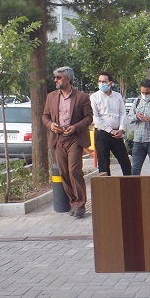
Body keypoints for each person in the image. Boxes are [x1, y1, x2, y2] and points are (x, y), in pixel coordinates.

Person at [42, 66, 93, 218]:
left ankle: (80, 205)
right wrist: (51, 125)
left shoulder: (82, 97)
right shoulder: (51, 97)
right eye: (55, 78)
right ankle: (73, 202)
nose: (55, 80)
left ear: (68, 79)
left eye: (59, 77)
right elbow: (45, 116)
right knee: (64, 172)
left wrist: (75, 127)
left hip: (75, 139)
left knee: (74, 170)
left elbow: (89, 117)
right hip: (58, 139)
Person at [90, 71, 132, 176]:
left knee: (125, 163)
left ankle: (129, 184)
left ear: (110, 83)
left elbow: (123, 114)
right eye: (99, 81)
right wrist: (110, 130)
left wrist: (121, 129)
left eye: (104, 81)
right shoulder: (94, 97)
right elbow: (95, 118)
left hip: (117, 134)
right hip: (102, 133)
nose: (101, 84)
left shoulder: (117, 96)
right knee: (104, 165)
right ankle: (106, 186)